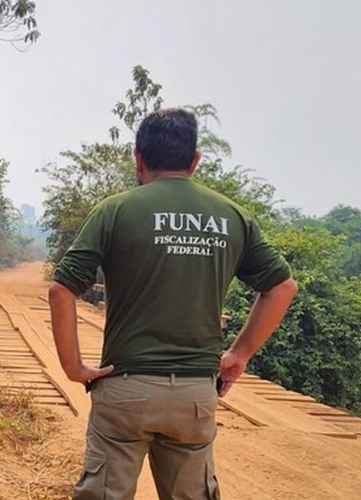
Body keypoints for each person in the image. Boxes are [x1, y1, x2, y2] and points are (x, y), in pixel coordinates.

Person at [48, 108, 298, 500]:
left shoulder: (115, 210)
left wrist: (73, 367)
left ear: (138, 157)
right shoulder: (233, 216)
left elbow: (61, 289)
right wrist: (239, 354)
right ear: (195, 160)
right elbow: (282, 288)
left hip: (125, 388)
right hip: (195, 394)